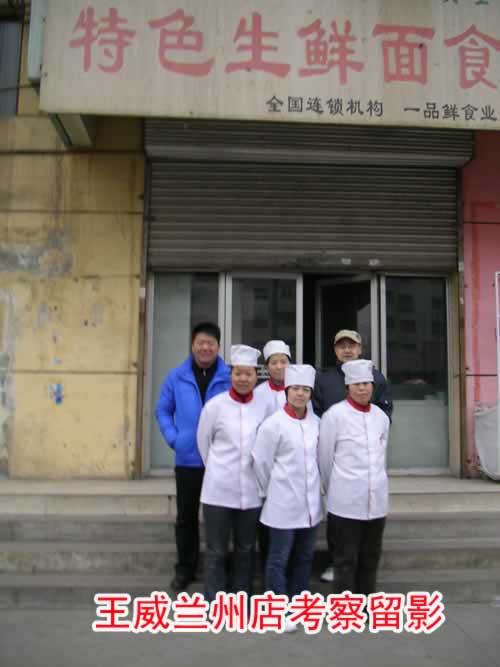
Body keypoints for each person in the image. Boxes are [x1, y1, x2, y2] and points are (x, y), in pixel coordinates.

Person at [155, 322, 230, 592]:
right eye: (201, 342)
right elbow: (163, 409)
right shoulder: (177, 376)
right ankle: (185, 568)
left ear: (218, 346)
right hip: (188, 459)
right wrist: (174, 438)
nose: (205, 347)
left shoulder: (229, 377)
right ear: (192, 344)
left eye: (211, 343)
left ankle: (220, 569)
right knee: (186, 518)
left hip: (221, 460)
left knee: (221, 519)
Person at [313, 329, 393, 583]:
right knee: (345, 560)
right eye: (357, 384)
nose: (362, 388)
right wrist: (333, 486)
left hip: (375, 499)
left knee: (370, 558)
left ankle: (366, 602)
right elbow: (325, 457)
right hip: (344, 497)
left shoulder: (380, 417)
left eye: (366, 384)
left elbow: (381, 451)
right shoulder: (333, 414)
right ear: (348, 386)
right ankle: (345, 606)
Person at [253, 364, 321, 633]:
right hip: (281, 502)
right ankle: (276, 609)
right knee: (278, 558)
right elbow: (261, 463)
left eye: (305, 390)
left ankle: (299, 605)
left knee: (304, 556)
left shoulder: (317, 423)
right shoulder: (273, 425)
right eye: (295, 389)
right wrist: (269, 491)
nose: (300, 394)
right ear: (287, 392)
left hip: (311, 503)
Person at [197, 345, 267, 603]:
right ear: (231, 375)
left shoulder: (264, 407)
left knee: (245, 549)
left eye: (248, 374)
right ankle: (214, 604)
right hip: (218, 491)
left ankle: (240, 602)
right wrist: (219, 469)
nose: (243, 379)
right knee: (216, 551)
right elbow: (203, 443)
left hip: (251, 491)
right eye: (238, 373)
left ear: (256, 376)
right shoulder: (215, 406)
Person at [254, 340, 291, 417]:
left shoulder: (298, 391)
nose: (279, 367)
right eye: (274, 363)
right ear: (266, 367)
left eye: (283, 362)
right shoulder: (258, 392)